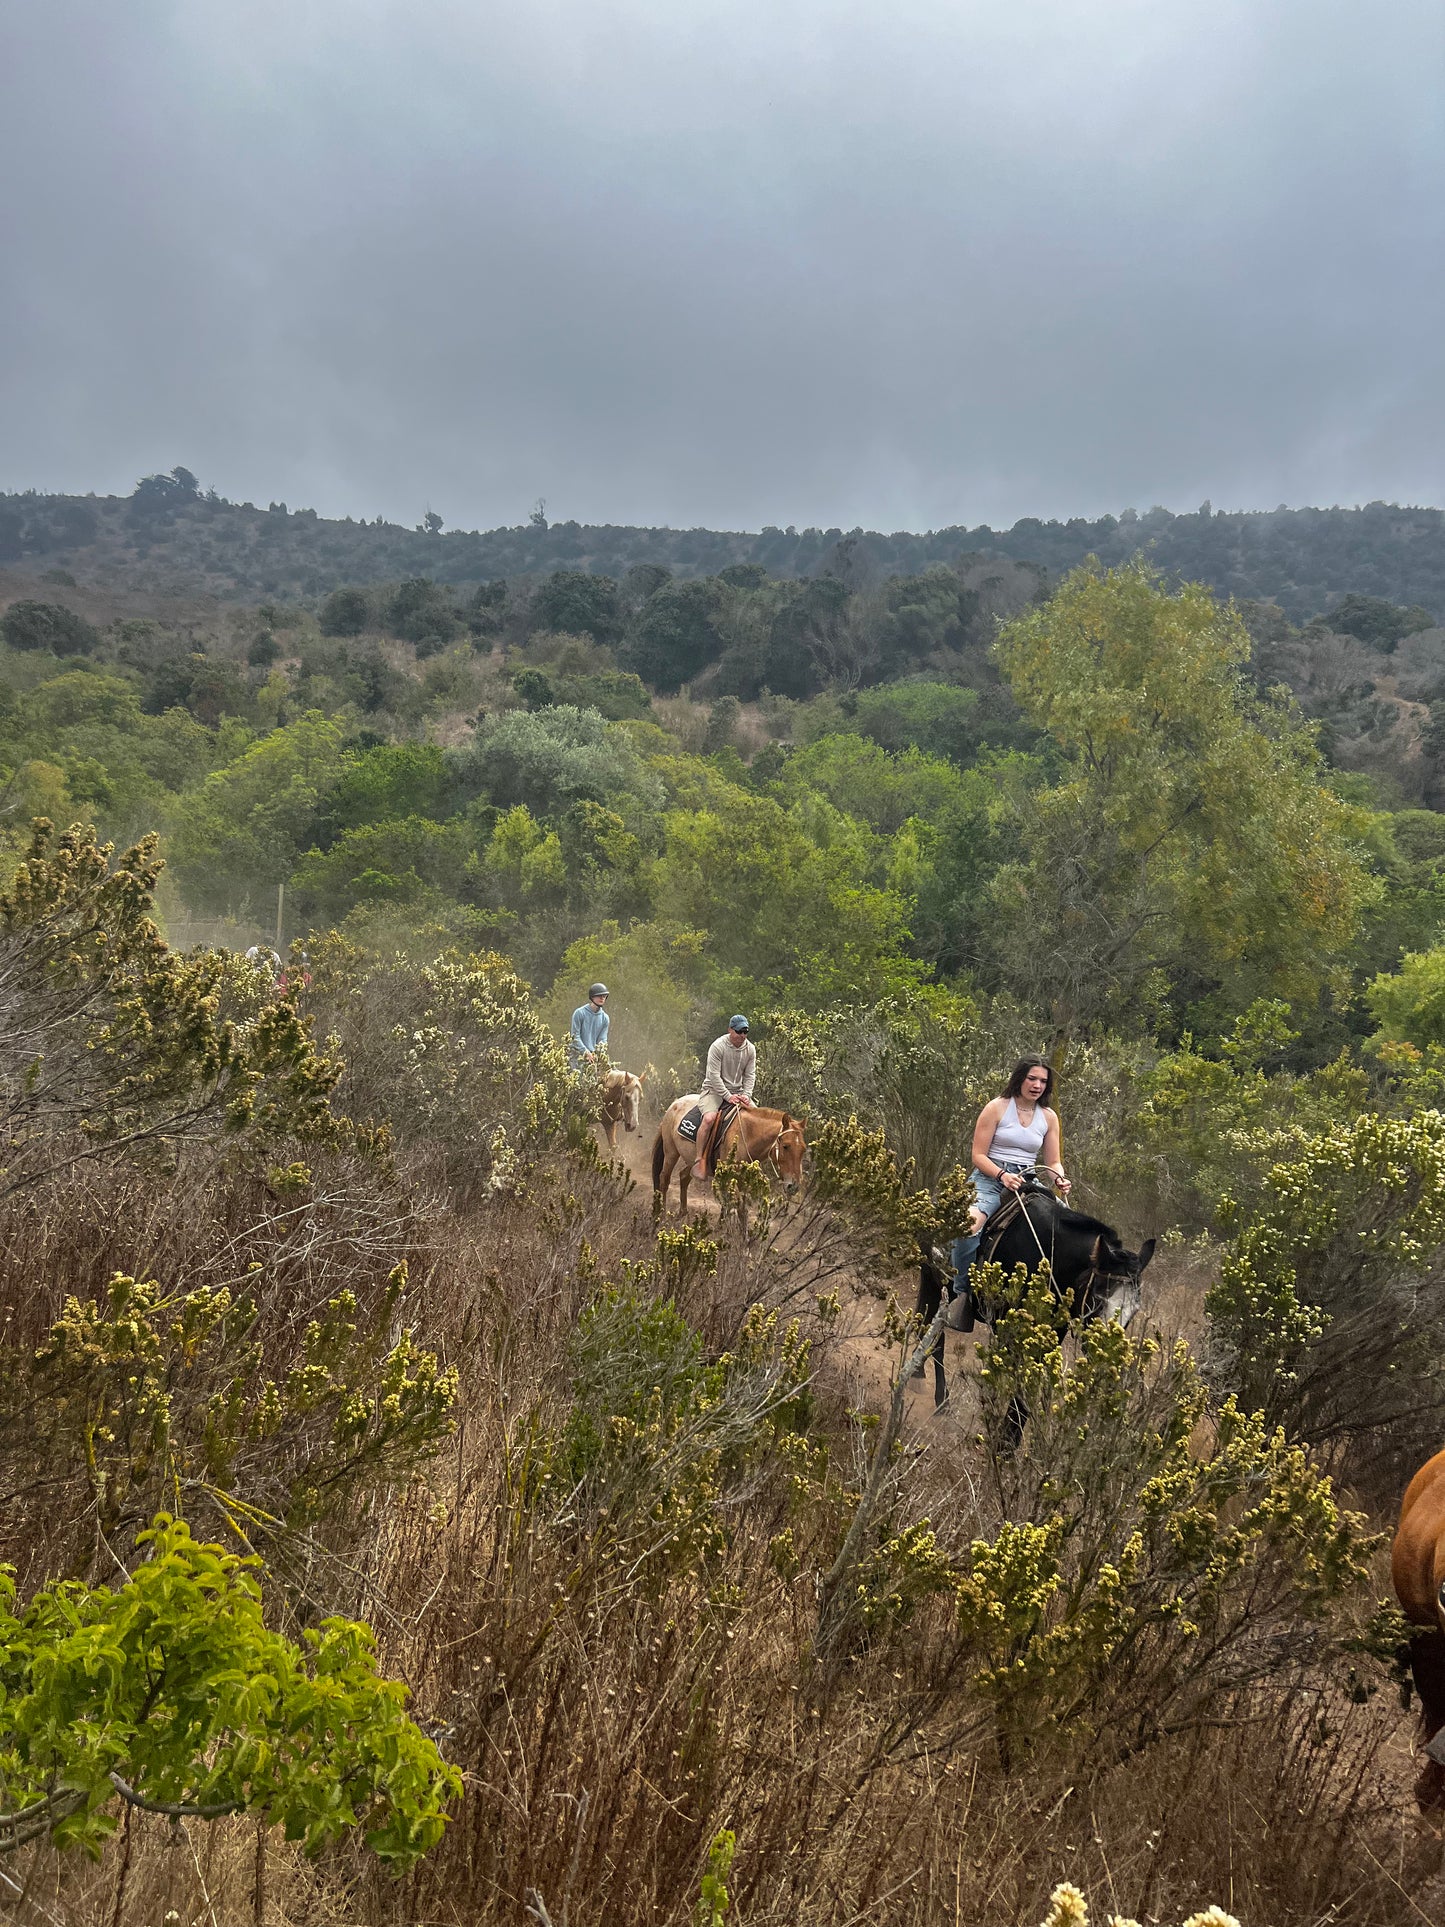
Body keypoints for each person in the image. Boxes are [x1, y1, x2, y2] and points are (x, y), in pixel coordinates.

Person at [950, 1057, 1071, 1305]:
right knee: (969, 1227)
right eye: (1032, 1078)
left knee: (1071, 1229)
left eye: (1043, 1081)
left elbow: (1053, 1161)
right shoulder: (997, 1107)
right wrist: (1002, 1175)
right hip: (990, 1178)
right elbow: (978, 1156)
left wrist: (1059, 1177)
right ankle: (961, 1293)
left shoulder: (1049, 1117)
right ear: (1020, 1079)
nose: (1037, 1085)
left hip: (1028, 1179)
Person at [684, 1015, 756, 1172]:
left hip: (738, 1092)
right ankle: (699, 1159)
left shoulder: (750, 1049)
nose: (742, 1036)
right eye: (739, 1032)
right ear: (730, 1030)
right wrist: (728, 1096)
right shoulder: (717, 1046)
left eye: (745, 1032)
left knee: (757, 1118)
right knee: (709, 1119)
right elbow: (713, 1076)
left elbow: (750, 1075)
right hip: (714, 1090)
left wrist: (747, 1094)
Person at [569, 983, 610, 1073]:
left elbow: (602, 1040)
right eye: (599, 996)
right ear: (592, 997)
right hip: (576, 1056)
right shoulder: (579, 1013)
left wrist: (599, 1054)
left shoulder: (605, 1018)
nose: (602, 998)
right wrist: (585, 1052)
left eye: (604, 996)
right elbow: (575, 1036)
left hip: (593, 1058)